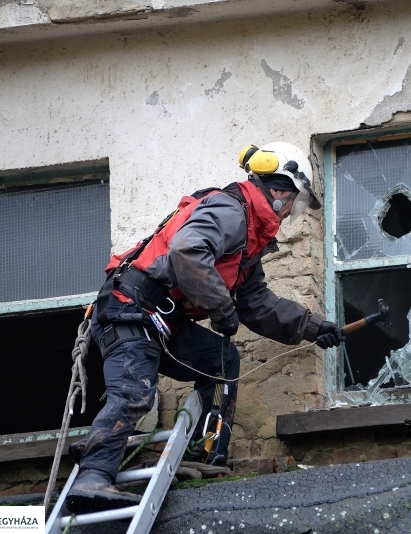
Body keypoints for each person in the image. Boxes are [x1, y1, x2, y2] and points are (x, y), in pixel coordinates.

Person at [65, 142, 344, 514]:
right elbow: (187, 250)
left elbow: (256, 303)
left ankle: (203, 453)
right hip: (131, 310)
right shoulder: (230, 211)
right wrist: (220, 307)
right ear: (279, 192)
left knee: (222, 359)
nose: (290, 212)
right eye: (295, 202)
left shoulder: (248, 242)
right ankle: (93, 475)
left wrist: (312, 327)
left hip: (162, 320)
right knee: (134, 392)